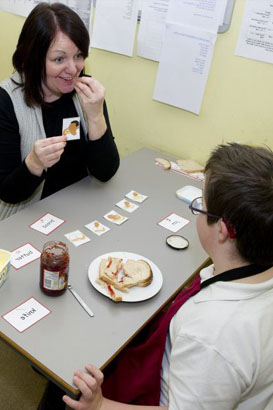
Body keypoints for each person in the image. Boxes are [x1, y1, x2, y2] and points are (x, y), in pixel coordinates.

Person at [50, 142, 272, 410]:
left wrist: (100, 406)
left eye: (201, 204)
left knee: (62, 385)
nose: (197, 208)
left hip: (155, 393)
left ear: (222, 230)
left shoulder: (210, 336)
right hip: (183, 371)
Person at [0, 2, 120, 220]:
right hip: (25, 219)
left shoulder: (87, 92)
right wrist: (34, 163)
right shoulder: (6, 101)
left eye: (78, 55)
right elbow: (8, 194)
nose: (73, 69)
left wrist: (95, 115)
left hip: (79, 211)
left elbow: (105, 172)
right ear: (33, 59)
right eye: (59, 59)